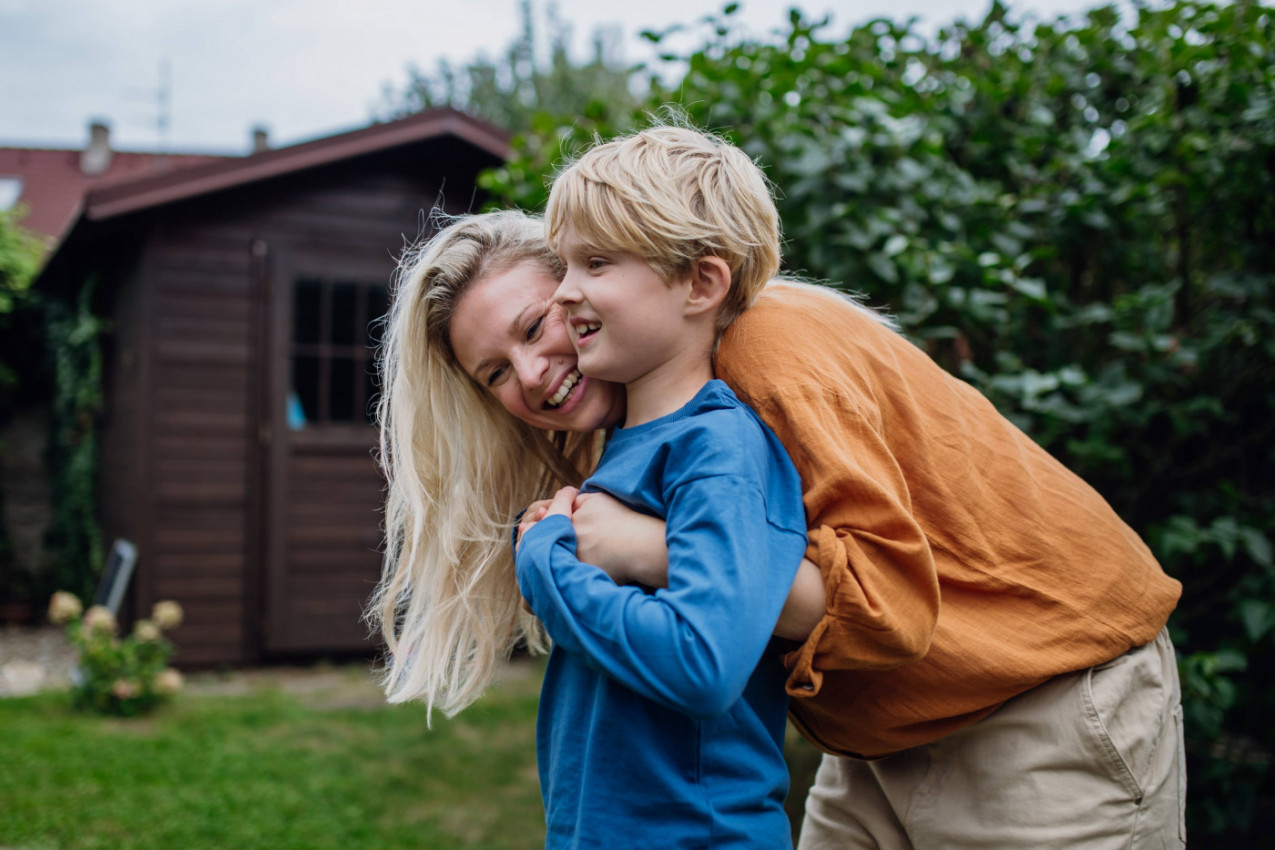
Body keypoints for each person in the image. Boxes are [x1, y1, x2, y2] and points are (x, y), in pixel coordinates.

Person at [369, 123, 1185, 848]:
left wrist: (631, 551)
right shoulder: (638, 420)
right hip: (883, 734)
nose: (533, 373)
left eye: (536, 323)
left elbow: (882, 607)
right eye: (494, 373)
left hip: (1043, 703)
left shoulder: (758, 358)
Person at [508, 124, 811, 847]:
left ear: (701, 284)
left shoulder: (719, 445)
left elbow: (702, 661)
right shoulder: (634, 444)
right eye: (564, 264)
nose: (565, 293)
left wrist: (546, 566)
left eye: (597, 263)